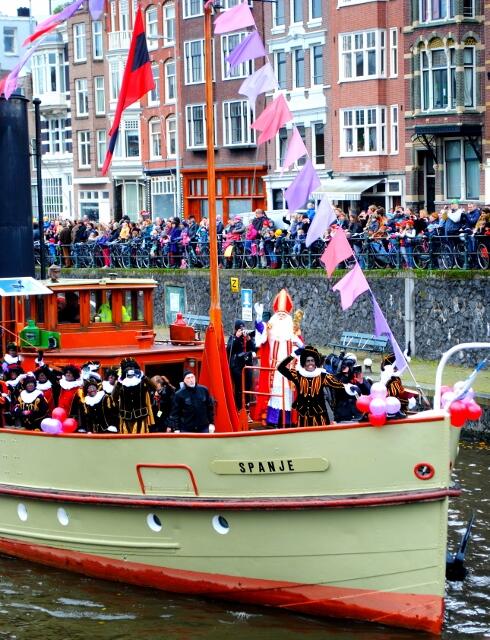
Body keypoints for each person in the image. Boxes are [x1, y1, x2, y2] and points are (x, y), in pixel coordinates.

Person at [252, 289, 303, 427]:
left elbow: (301, 346)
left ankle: (287, 421)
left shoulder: (292, 329)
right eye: (279, 313)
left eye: (283, 314)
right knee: (274, 394)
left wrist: (299, 347)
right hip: (274, 368)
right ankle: (272, 421)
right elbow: (260, 330)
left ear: (287, 316)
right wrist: (258, 316)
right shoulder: (271, 327)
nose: (281, 316)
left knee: (287, 394)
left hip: (289, 368)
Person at [277, 346, 344, 428]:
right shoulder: (297, 375)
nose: (310, 363)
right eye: (308, 361)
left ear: (316, 362)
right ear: (304, 363)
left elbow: (339, 386)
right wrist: (293, 355)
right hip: (302, 417)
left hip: (319, 417)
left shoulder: (323, 376)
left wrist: (351, 388)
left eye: (312, 361)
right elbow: (280, 367)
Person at [112, 358, 155, 434]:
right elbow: (114, 396)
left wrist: (143, 376)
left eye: (132, 368)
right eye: (127, 369)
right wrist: (119, 381)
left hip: (140, 417)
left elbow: (154, 387)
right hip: (126, 418)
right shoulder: (121, 383)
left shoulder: (141, 381)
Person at [227, 320, 256, 414]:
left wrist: (249, 340)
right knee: (239, 388)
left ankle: (247, 408)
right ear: (236, 329)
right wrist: (237, 337)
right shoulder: (232, 338)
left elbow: (253, 349)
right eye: (240, 329)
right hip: (237, 366)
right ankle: (239, 408)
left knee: (248, 386)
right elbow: (229, 349)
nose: (242, 331)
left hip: (246, 365)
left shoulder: (246, 338)